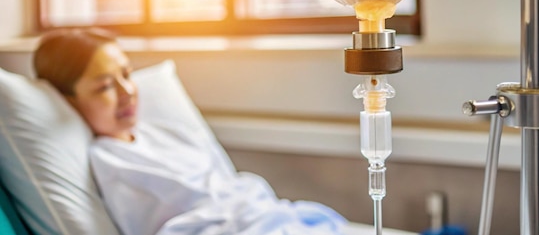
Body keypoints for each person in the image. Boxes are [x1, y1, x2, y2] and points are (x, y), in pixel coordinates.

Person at [33, 28, 347, 235]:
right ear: (68, 100)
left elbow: (227, 185)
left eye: (126, 74)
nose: (127, 91)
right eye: (104, 86)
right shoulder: (109, 160)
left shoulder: (165, 132)